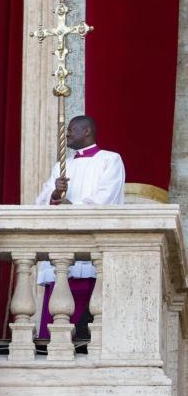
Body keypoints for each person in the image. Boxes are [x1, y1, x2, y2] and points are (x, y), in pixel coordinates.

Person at [34, 115, 125, 339]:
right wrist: (55, 195)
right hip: (61, 249)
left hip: (90, 249)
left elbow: (107, 197)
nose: (67, 134)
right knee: (54, 322)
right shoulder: (61, 167)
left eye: (72, 129)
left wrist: (73, 207)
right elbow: (41, 202)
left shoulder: (110, 160)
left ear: (87, 131)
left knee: (84, 328)